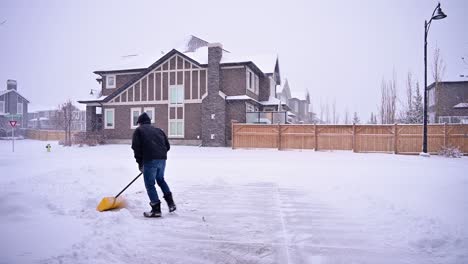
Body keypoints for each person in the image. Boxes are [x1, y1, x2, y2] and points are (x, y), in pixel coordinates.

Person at [131, 112, 176, 217]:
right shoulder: (159, 130)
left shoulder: (139, 131)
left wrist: (140, 164)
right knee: (160, 180)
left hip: (149, 160)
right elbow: (167, 146)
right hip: (162, 159)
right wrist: (159, 155)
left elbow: (136, 149)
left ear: (140, 123)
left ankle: (156, 210)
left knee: (150, 184)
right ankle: (171, 203)